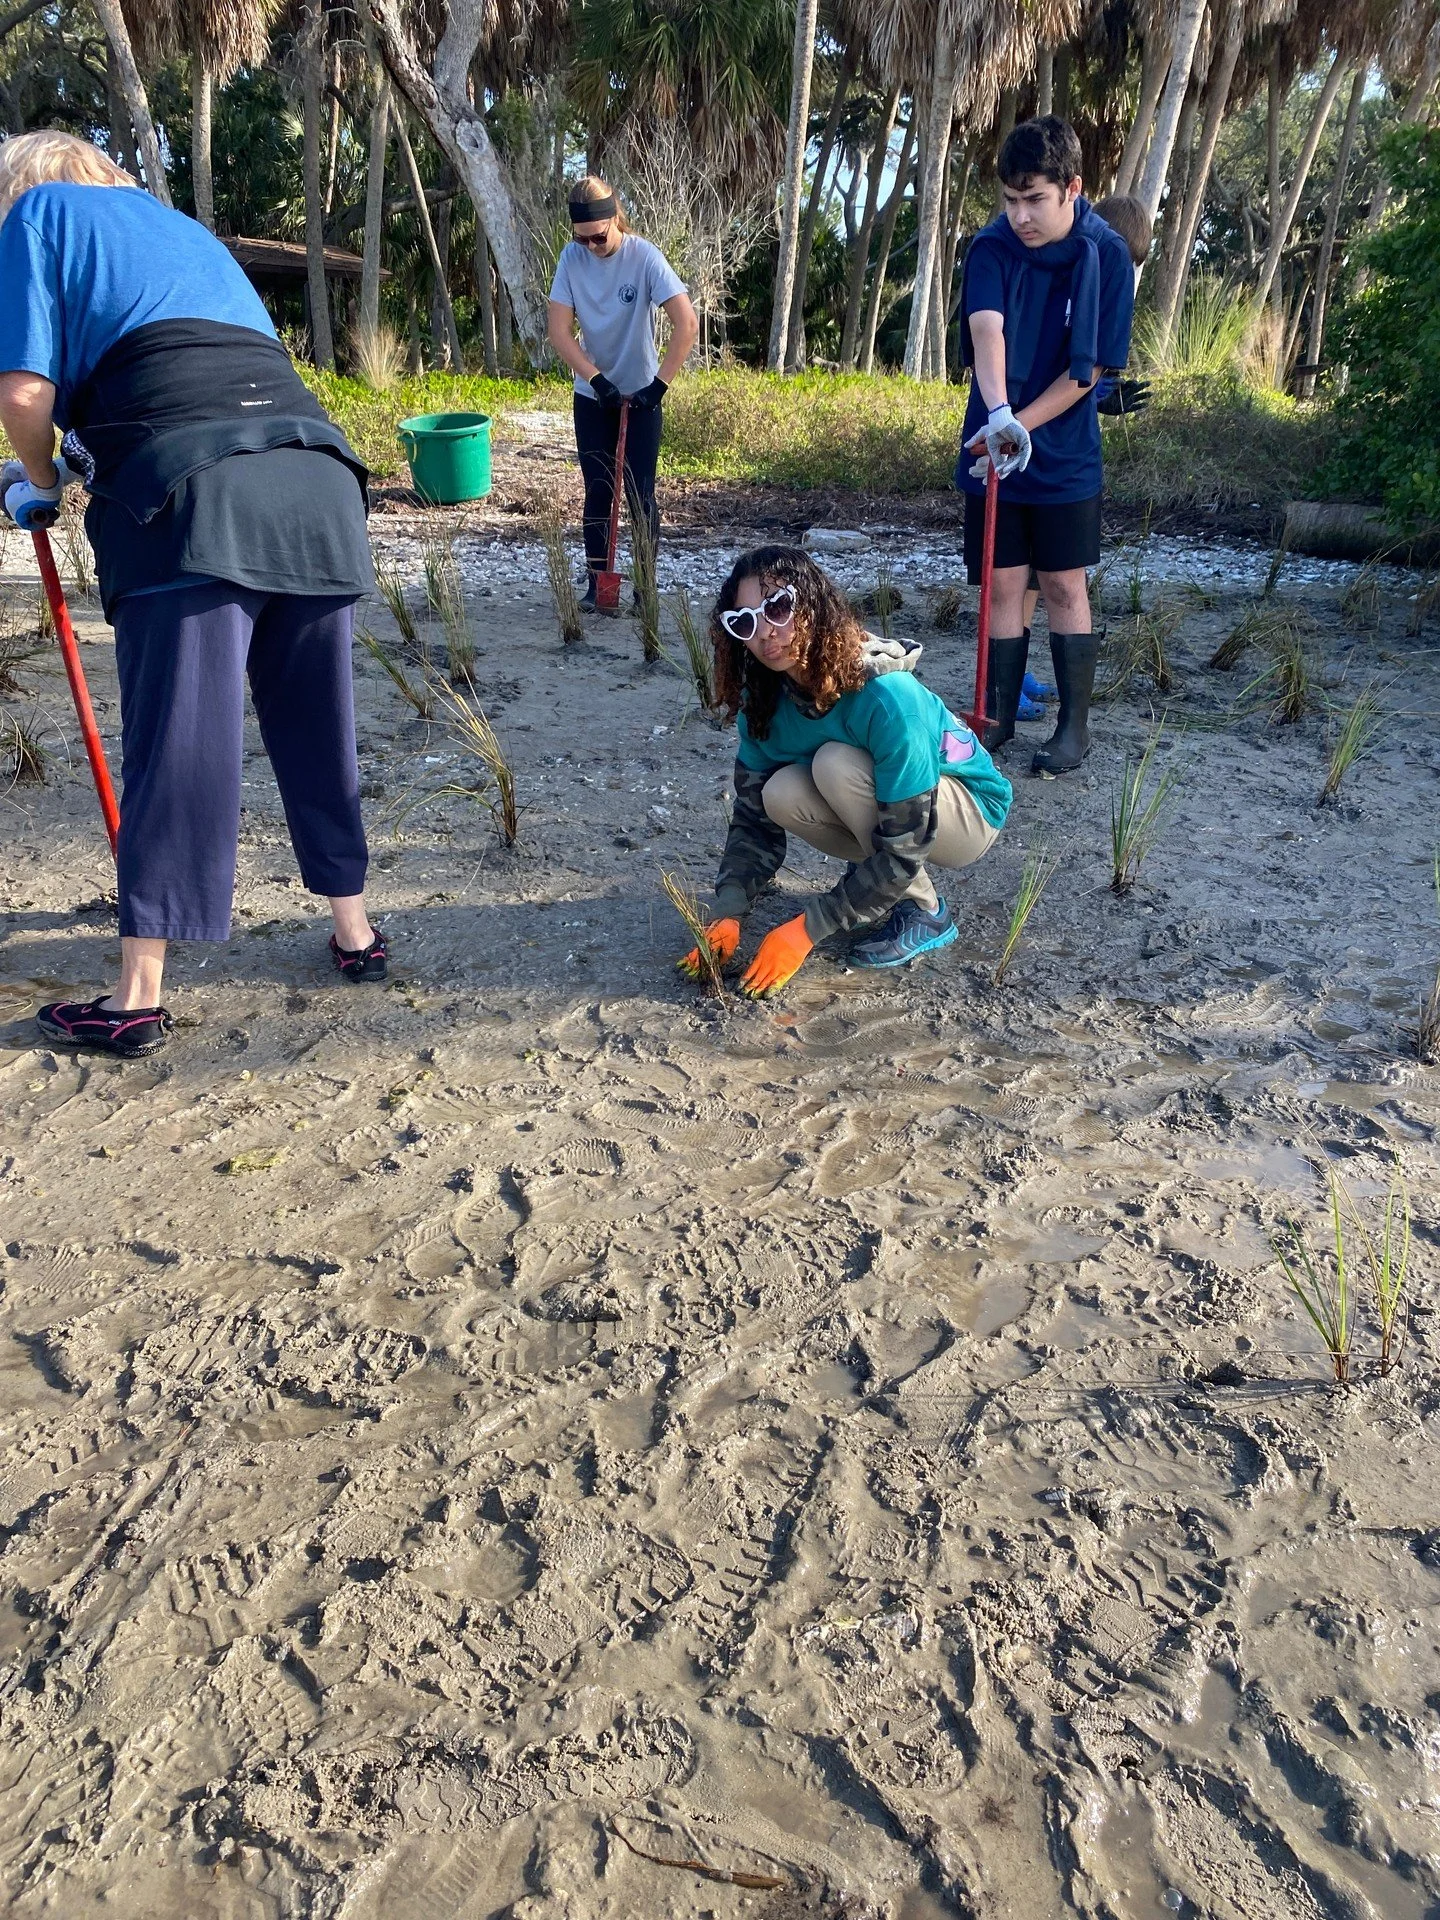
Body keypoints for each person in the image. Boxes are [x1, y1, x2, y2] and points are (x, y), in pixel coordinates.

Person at [0, 131, 383, 1060]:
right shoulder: (183, 230)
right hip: (318, 473)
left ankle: (135, 998)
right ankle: (356, 934)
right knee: (313, 722)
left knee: (181, 740)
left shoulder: (37, 216)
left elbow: (21, 394)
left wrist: (37, 483)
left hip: (194, 485)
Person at [677, 547, 1011, 998]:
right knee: (779, 793)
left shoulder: (888, 697)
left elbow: (905, 843)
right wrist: (728, 912)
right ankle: (887, 897)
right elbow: (753, 823)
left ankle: (925, 913)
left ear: (812, 602)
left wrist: (809, 929)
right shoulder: (762, 706)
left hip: (968, 812)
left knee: (834, 764)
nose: (765, 634)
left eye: (777, 607)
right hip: (890, 808)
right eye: (744, 622)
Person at [958, 115, 1134, 774]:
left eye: (1036, 200)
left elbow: (1085, 373)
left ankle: (1072, 730)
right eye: (1011, 200)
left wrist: (1021, 425)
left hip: (1063, 454)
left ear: (1073, 188)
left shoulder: (1105, 253)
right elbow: (987, 330)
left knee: (1062, 584)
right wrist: (999, 414)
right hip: (992, 444)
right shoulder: (992, 246)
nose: (1021, 216)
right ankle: (997, 717)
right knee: (1002, 585)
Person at [546, 176, 698, 607]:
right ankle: (598, 586)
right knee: (598, 487)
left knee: (639, 492)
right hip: (594, 395)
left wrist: (659, 385)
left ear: (615, 219)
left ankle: (645, 590)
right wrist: (595, 378)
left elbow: (686, 323)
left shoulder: (644, 256)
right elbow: (559, 332)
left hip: (642, 394)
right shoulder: (572, 259)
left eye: (598, 237)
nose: (591, 247)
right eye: (582, 239)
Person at [1020, 191, 1152, 638]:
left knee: (1049, 572)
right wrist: (1093, 396)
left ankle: (1024, 677)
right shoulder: (1061, 268)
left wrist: (1099, 398)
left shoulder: (1101, 275)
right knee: (1022, 571)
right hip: (1033, 446)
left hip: (1069, 450)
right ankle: (1010, 681)